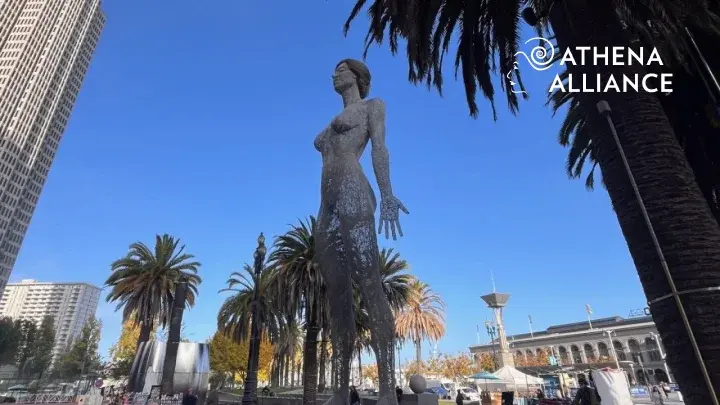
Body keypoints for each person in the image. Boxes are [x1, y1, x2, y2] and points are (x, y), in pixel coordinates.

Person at [316, 59, 409, 405]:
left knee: (370, 284)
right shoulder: (331, 122)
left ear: (357, 77)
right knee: (337, 296)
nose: (334, 74)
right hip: (326, 206)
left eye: (341, 69)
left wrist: (387, 194)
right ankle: (340, 391)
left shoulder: (372, 106)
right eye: (335, 70)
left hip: (353, 191)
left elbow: (380, 148)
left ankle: (386, 390)